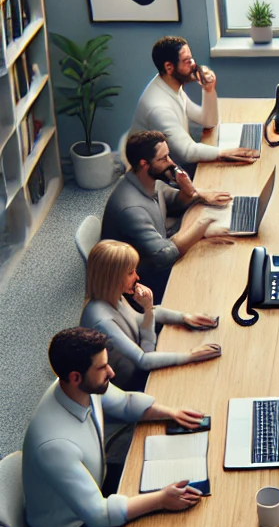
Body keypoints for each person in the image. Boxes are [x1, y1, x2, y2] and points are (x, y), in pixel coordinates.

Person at [22, 328, 210, 527]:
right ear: (75, 376)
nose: (111, 372)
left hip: (89, 491)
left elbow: (123, 403)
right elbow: (97, 515)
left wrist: (171, 413)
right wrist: (160, 500)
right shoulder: (55, 444)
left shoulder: (76, 388)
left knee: (161, 491)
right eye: (102, 368)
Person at [101, 131, 232, 302]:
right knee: (213, 274)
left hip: (160, 252)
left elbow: (172, 202)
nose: (171, 162)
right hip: (142, 282)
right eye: (163, 159)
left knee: (217, 247)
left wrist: (188, 192)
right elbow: (165, 255)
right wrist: (202, 225)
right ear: (144, 164)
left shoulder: (147, 181)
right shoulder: (132, 210)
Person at [79, 240, 221, 392]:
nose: (137, 277)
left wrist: (183, 317)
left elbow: (139, 320)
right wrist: (191, 356)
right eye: (130, 273)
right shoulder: (102, 321)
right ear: (113, 278)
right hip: (133, 384)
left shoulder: (113, 296)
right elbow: (143, 360)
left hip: (143, 358)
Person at [130, 36, 259, 166]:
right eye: (187, 61)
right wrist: (223, 153)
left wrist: (208, 90)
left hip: (173, 162)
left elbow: (209, 121)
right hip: (156, 176)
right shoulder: (159, 108)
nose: (194, 64)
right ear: (169, 67)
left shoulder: (170, 86)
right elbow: (187, 152)